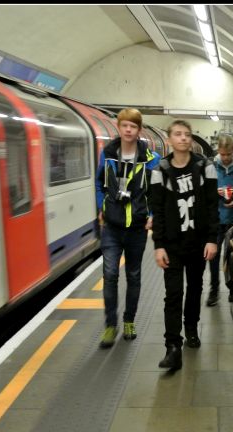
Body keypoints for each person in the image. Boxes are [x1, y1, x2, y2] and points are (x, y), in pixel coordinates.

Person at [151, 119, 219, 370]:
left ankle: (191, 326)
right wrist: (158, 245)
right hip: (172, 245)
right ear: (169, 140)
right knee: (173, 294)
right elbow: (157, 210)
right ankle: (172, 347)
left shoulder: (204, 167)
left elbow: (212, 205)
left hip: (198, 242)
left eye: (187, 134)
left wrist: (212, 239)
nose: (183, 138)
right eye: (178, 134)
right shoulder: (160, 170)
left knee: (195, 288)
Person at [96, 108, 160, 348]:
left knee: (133, 275)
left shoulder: (150, 159)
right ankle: (110, 325)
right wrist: (101, 206)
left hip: (137, 228)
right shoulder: (107, 155)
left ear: (139, 130)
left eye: (133, 126)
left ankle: (129, 321)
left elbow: (156, 191)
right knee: (110, 274)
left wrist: (152, 215)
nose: (128, 130)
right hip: (112, 227)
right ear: (119, 127)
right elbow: (99, 183)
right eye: (125, 125)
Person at [207, 135, 233, 305]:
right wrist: (215, 192)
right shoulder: (211, 167)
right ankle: (214, 289)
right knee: (213, 257)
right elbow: (204, 191)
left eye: (229, 154)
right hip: (216, 219)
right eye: (222, 154)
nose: (226, 158)